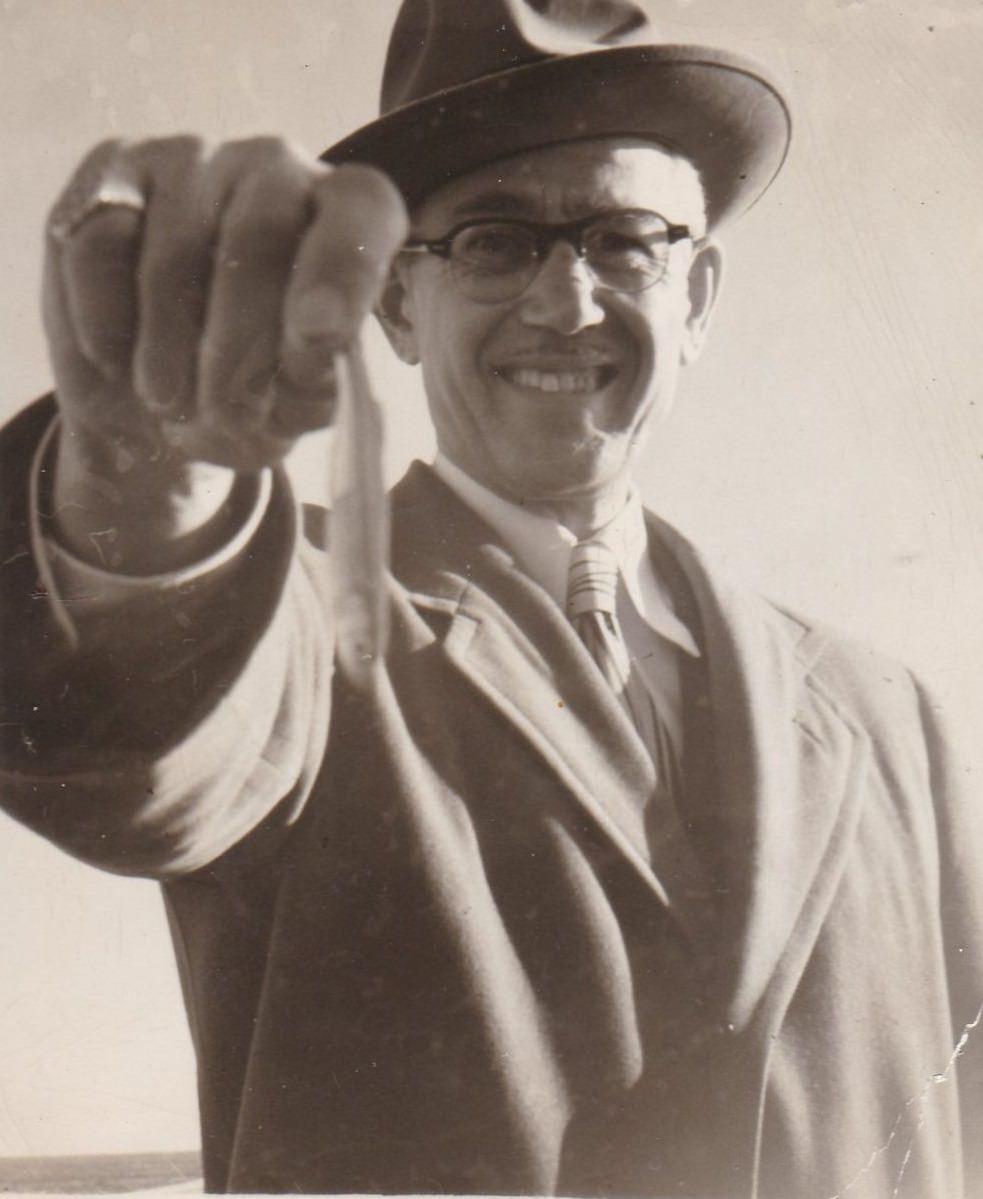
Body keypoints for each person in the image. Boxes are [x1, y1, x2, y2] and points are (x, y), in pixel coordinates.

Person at [1, 1, 980, 1195]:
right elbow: (149, 719)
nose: (564, 304)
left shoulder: (893, 721)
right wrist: (143, 480)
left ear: (698, 297)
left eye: (624, 241)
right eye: (494, 241)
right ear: (398, 306)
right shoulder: (300, 628)